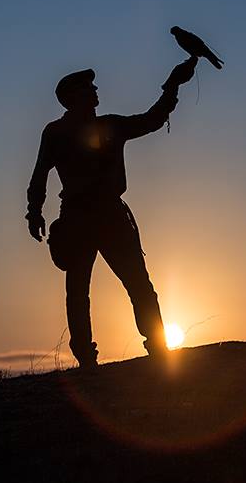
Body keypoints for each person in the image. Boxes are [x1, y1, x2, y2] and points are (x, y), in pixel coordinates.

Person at [25, 56, 198, 369]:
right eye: (88, 87)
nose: (95, 90)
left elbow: (152, 119)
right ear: (74, 96)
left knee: (113, 288)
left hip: (95, 216)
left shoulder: (93, 128)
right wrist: (33, 211)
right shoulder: (64, 132)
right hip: (88, 217)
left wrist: (172, 85)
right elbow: (40, 175)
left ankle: (142, 350)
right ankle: (113, 355)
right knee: (96, 289)